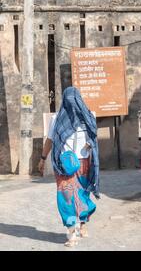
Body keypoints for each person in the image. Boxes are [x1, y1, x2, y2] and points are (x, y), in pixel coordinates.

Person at [38, 87, 100, 248]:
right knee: (67, 198)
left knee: (79, 195)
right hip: (66, 165)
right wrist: (43, 158)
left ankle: (83, 222)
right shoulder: (61, 118)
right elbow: (50, 140)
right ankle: (72, 233)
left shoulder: (86, 116)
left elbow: (93, 137)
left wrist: (90, 144)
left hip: (79, 164)